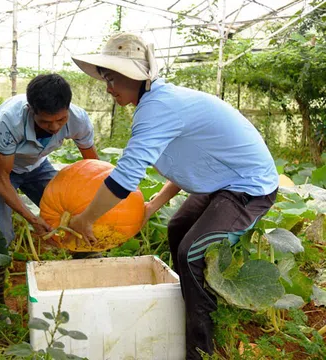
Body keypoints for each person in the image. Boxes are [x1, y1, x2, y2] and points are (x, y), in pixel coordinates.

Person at [69, 33, 278, 359]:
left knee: (191, 252)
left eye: (111, 78)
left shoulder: (158, 107)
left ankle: (202, 348)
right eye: (105, 79)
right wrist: (153, 206)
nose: (107, 87)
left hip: (247, 187)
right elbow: (188, 161)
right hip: (221, 182)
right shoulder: (157, 103)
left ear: (135, 76)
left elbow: (124, 179)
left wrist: (86, 219)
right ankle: (196, 305)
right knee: (177, 228)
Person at [0, 73, 99, 303]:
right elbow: (1, 180)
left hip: (37, 165)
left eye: (60, 120)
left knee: (76, 214)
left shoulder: (78, 119)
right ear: (31, 110)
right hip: (1, 169)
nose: (54, 127)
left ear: (68, 108)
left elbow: (93, 167)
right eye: (45, 121)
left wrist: (93, 206)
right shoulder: (9, 120)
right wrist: (33, 219)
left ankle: (90, 283)